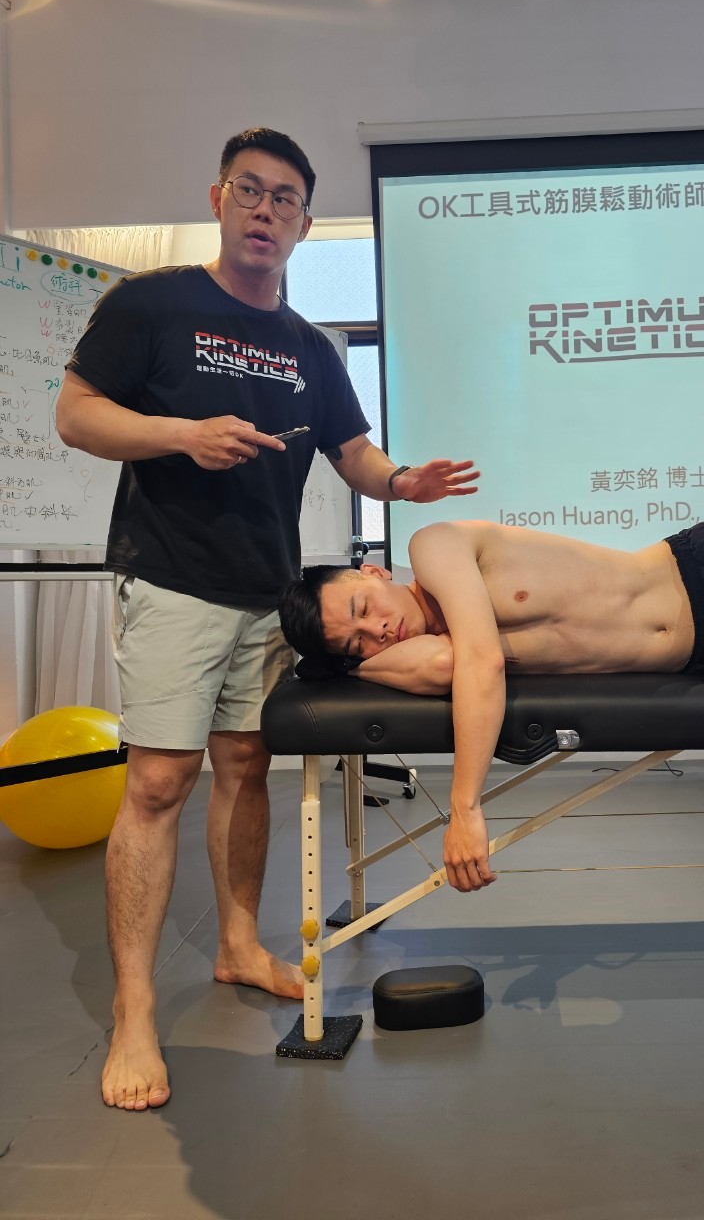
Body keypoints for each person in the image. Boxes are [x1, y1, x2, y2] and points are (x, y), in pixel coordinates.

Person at [55, 127, 478, 1113]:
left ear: (304, 224)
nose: (264, 209)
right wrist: (179, 435)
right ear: (219, 199)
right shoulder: (153, 304)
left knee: (246, 766)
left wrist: (402, 482)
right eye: (249, 190)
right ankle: (132, 1009)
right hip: (171, 580)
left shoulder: (311, 348)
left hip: (268, 591)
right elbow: (76, 414)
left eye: (284, 198)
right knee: (159, 782)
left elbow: (354, 453)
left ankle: (240, 944)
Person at [279, 515, 704, 897]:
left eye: (364, 607)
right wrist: (365, 659)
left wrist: (465, 810)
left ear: (374, 571)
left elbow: (481, 660)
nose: (379, 630)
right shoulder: (427, 650)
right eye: (358, 644)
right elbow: (440, 664)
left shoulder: (435, 545)